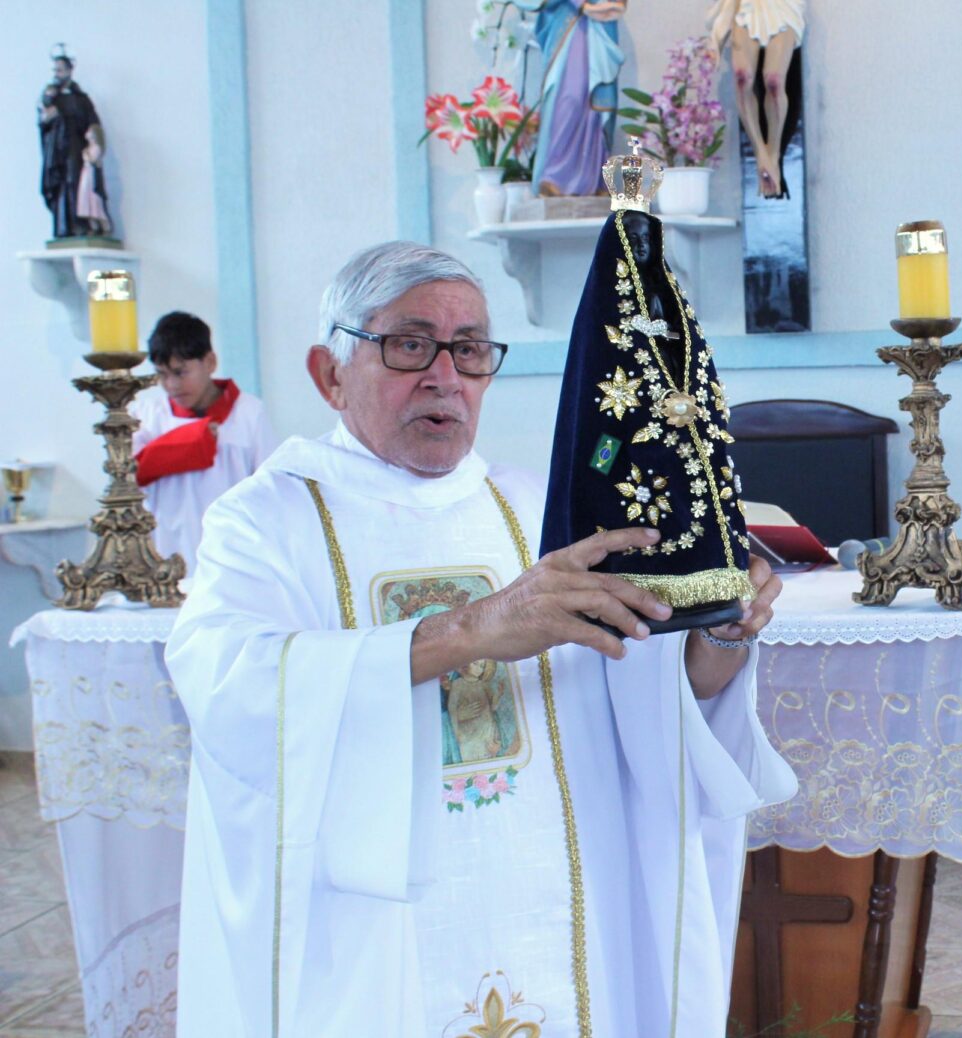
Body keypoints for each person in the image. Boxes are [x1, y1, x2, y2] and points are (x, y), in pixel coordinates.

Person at [165, 240, 797, 1037]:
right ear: (329, 374)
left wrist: (722, 635)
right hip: (377, 932)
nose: (445, 376)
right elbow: (228, 685)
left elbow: (646, 700)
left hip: (556, 894)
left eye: (469, 351)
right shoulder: (266, 520)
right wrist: (471, 631)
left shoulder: (539, 508)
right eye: (408, 344)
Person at [131, 311, 277, 573]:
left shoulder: (249, 414)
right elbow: (129, 477)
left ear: (209, 362)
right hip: (164, 557)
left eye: (181, 372)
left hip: (233, 556)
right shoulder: (146, 416)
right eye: (161, 374)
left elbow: (269, 490)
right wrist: (195, 439)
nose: (171, 385)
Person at [518, 0, 626, 197]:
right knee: (568, 101)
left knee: (594, 107)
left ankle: (595, 179)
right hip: (567, 25)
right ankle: (554, 177)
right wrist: (583, 5)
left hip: (598, 29)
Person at [707, 0, 805, 198]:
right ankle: (761, 153)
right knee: (742, 78)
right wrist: (716, 37)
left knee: (774, 80)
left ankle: (773, 153)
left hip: (782, 7)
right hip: (748, 7)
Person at [37, 47, 102, 239]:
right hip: (56, 148)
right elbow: (42, 121)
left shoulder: (80, 98)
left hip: (75, 145)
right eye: (55, 70)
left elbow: (92, 123)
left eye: (61, 70)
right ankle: (62, 227)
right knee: (58, 184)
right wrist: (47, 116)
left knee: (75, 182)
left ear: (69, 70)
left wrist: (93, 142)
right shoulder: (49, 97)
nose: (57, 74)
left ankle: (80, 224)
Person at [75, 124, 112, 236]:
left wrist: (86, 155)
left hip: (92, 176)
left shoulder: (96, 148)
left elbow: (91, 160)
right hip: (86, 174)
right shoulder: (88, 148)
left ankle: (104, 226)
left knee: (95, 200)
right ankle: (93, 226)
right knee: (85, 198)